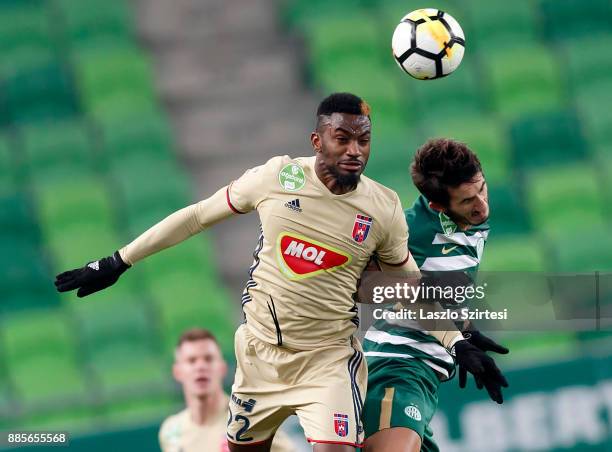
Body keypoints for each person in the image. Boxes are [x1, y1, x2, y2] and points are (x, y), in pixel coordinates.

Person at [55, 93, 499, 452]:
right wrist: (119, 260)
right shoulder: (276, 178)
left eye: (363, 140)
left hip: (328, 360)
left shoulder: (382, 208)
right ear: (316, 140)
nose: (354, 150)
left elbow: (408, 287)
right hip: (259, 356)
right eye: (342, 138)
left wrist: (455, 341)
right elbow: (196, 216)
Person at [361, 138, 509, 452]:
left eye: (482, 188)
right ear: (438, 206)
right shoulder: (409, 231)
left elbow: (438, 290)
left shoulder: (472, 224)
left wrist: (466, 331)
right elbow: (364, 285)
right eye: (468, 199)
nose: (481, 204)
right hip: (396, 366)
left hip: (425, 375)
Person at [159, 327, 294, 452]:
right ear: (177, 372)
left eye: (208, 359)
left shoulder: (249, 421)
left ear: (222, 368)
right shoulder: (171, 430)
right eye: (191, 360)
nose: (200, 366)